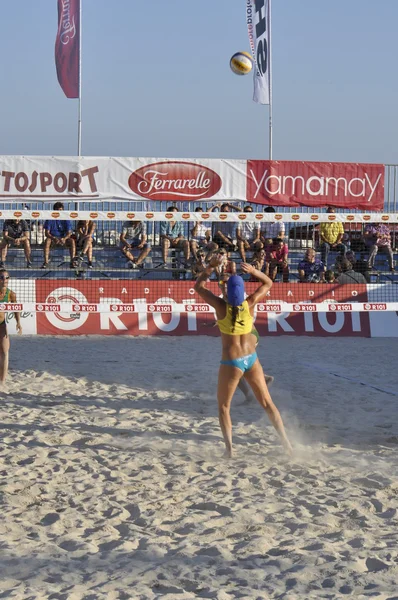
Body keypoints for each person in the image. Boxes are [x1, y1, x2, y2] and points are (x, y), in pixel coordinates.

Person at [194, 255, 292, 458]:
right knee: (268, 404)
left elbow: (199, 287)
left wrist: (211, 266)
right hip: (251, 359)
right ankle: (287, 445)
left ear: (227, 293)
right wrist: (255, 272)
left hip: (232, 361)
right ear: (243, 292)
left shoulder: (221, 307)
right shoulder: (250, 303)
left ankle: (229, 450)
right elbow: (269, 282)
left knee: (224, 407)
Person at [0, 269, 22, 383]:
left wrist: (18, 322)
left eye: (6, 277)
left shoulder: (11, 294)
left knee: (5, 351)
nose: (4, 280)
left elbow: (16, 309)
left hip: (1, 324)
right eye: (2, 277)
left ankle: (2, 381)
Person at [42, 202, 76, 268]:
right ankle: (46, 262)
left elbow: (69, 233)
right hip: (53, 239)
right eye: (58, 210)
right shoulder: (50, 219)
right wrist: (53, 238)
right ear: (54, 211)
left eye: (61, 210)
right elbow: (46, 233)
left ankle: (72, 261)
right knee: (47, 241)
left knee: (72, 241)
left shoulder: (66, 219)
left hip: (63, 239)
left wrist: (64, 238)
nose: (60, 212)